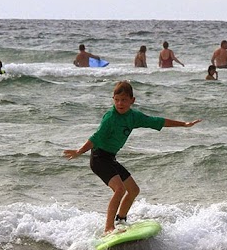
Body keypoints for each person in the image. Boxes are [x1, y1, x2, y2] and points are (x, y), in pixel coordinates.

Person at [63, 81, 201, 234]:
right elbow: (95, 137)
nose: (120, 103)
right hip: (99, 158)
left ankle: (121, 219)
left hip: (110, 158)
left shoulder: (133, 116)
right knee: (120, 189)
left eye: (124, 100)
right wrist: (79, 151)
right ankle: (108, 228)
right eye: (116, 100)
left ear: (132, 100)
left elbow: (156, 121)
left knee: (134, 190)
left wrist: (184, 124)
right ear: (113, 99)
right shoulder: (110, 118)